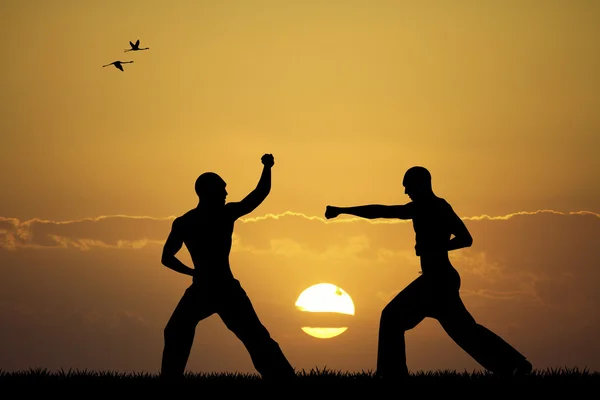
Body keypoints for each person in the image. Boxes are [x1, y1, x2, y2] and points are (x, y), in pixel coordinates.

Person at [325, 166, 532, 379]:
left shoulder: (433, 207)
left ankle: (391, 376)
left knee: (392, 318)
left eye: (408, 186)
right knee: (465, 331)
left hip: (438, 280)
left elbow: (465, 238)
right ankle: (514, 365)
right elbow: (383, 211)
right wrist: (344, 210)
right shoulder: (429, 207)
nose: (406, 192)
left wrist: (437, 248)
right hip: (438, 279)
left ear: (420, 184)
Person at [160, 153, 296, 382]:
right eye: (222, 189)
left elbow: (258, 195)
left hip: (224, 289)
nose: (226, 193)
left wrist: (267, 168)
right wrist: (192, 272)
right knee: (176, 329)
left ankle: (283, 378)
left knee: (254, 335)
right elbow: (167, 257)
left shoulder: (219, 215)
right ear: (207, 191)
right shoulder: (189, 221)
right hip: (205, 289)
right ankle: (170, 380)